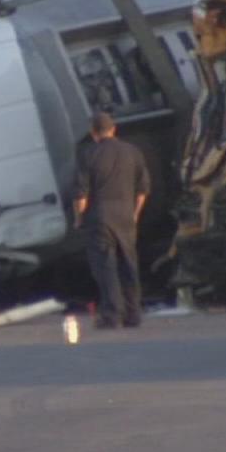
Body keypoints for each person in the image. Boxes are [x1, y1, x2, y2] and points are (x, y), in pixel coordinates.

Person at [73, 111, 150, 329]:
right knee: (128, 264)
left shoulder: (88, 154)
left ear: (93, 132)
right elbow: (143, 190)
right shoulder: (132, 152)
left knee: (105, 267)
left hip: (100, 217)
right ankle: (133, 314)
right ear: (114, 129)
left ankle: (112, 315)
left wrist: (79, 218)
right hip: (125, 216)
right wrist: (135, 214)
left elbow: (81, 194)